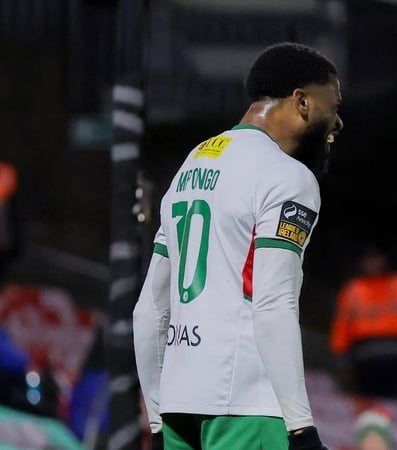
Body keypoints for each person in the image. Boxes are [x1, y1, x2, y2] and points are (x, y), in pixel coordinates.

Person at [132, 42, 343, 450]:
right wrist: (300, 426)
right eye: (332, 105)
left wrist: (157, 421)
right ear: (301, 101)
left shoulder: (191, 165)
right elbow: (271, 302)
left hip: (179, 404)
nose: (337, 121)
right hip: (245, 404)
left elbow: (149, 310)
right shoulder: (287, 177)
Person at [330, 243, 397, 399]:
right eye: (368, 260)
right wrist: (340, 355)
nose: (372, 264)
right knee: (369, 405)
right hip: (365, 357)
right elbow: (342, 324)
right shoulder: (353, 289)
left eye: (375, 259)